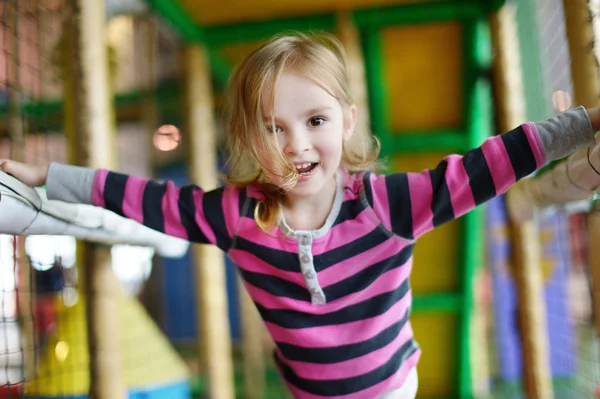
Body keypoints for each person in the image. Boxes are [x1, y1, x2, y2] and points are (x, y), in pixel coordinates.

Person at [2, 32, 599, 399]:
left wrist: (589, 122)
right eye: (272, 128)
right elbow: (133, 196)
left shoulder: (389, 205)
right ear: (247, 140)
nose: (296, 146)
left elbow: (497, 159)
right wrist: (45, 176)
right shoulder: (237, 217)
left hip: (392, 390)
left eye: (314, 121)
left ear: (345, 118)